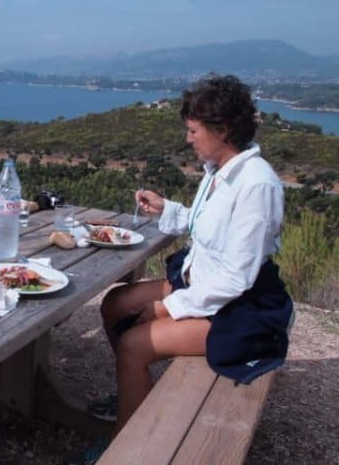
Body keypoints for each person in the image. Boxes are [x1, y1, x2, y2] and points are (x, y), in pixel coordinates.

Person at [94, 75, 293, 446]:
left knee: (134, 344)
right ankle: (132, 397)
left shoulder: (256, 185)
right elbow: (212, 228)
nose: (188, 139)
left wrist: (166, 306)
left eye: (193, 130)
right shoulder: (218, 173)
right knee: (115, 303)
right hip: (204, 281)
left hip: (239, 307)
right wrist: (167, 209)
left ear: (223, 129)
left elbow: (237, 277)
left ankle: (126, 446)